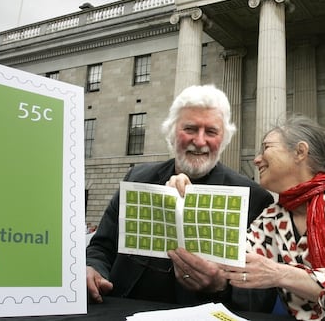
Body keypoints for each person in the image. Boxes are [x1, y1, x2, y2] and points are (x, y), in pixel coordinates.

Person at [169, 115, 325, 321]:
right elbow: (226, 258)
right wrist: (187, 202)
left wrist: (280, 274)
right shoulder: (273, 217)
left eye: (266, 148)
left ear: (300, 152)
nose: (257, 159)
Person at [86, 84, 275, 309]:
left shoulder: (254, 199)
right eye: (190, 129)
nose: (200, 141)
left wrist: (221, 285)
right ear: (172, 132)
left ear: (223, 139)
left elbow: (263, 296)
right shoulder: (137, 178)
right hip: (119, 310)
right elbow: (101, 247)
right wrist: (93, 269)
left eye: (211, 132)